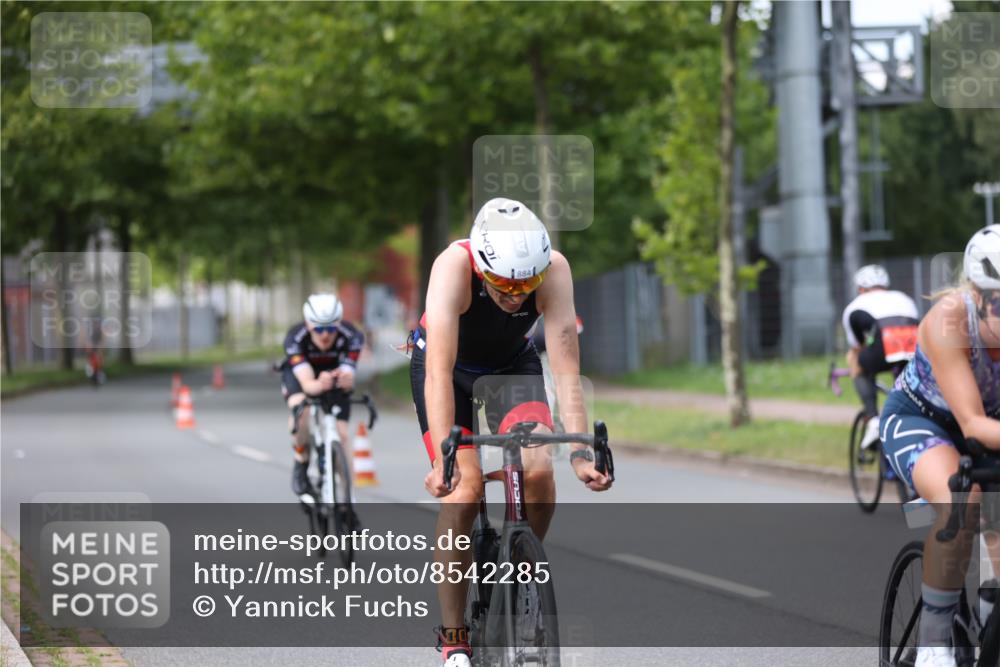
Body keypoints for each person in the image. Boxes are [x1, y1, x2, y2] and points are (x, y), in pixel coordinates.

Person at [410, 198, 612, 667]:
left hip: (510, 364)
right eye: (502, 283)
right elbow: (438, 372)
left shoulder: (555, 269)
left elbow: (565, 368)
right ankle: (454, 634)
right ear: (482, 267)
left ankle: (519, 570)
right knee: (464, 493)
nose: (516, 295)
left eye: (527, 284)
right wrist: (445, 462)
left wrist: (581, 452)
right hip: (449, 368)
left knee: (540, 472)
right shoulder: (453, 266)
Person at [880, 226, 1000, 667]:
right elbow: (971, 424)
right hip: (924, 421)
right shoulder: (948, 321)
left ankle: (991, 611)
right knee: (963, 501)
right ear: (976, 293)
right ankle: (934, 646)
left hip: (993, 427)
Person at [281, 293, 365, 498]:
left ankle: (348, 500)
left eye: (330, 328)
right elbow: (308, 385)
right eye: (318, 329)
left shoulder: (352, 335)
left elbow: (348, 374)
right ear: (309, 325)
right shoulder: (295, 338)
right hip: (303, 376)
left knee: (342, 435)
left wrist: (346, 379)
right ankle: (301, 460)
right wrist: (317, 384)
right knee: (301, 409)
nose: (325, 335)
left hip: (333, 372)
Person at [841, 264, 919, 450]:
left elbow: (857, 346)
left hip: (883, 347)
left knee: (855, 361)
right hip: (913, 346)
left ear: (860, 288)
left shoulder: (854, 306)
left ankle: (873, 420)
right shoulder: (904, 298)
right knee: (902, 378)